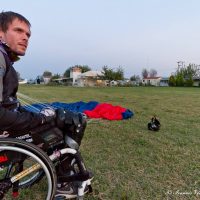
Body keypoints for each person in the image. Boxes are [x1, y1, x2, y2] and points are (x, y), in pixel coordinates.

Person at [0, 11, 89, 198]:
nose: (25, 37)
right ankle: (64, 180)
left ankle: (61, 170)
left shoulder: (5, 59)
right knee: (73, 121)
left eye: (28, 34)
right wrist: (39, 119)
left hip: (8, 125)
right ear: (1, 33)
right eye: (18, 30)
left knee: (55, 114)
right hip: (6, 132)